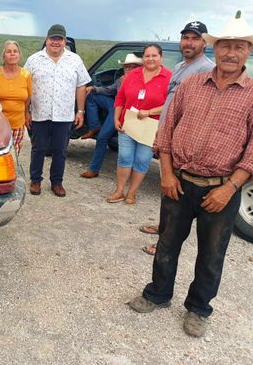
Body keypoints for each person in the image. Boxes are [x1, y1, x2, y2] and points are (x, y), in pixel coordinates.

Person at [127, 11, 253, 338]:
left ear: (248, 51)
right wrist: (166, 173)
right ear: (215, 49)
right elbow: (166, 131)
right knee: (166, 243)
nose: (231, 53)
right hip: (178, 181)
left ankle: (199, 308)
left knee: (211, 255)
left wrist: (230, 188)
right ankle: (158, 294)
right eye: (225, 46)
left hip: (221, 189)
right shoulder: (191, 85)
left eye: (239, 47)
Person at [139, 21, 215, 255]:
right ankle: (163, 227)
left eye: (194, 38)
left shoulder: (206, 69)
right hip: (166, 137)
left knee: (176, 193)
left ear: (204, 42)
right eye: (185, 38)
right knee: (167, 186)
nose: (189, 42)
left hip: (181, 142)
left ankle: (164, 243)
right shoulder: (181, 66)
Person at [24, 24, 90, 197]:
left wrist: (80, 111)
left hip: (64, 114)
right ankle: (35, 180)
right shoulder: (33, 60)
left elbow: (81, 86)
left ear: (65, 41)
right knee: (38, 149)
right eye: (52, 39)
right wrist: (26, 111)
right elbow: (25, 86)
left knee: (60, 150)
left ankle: (57, 182)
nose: (55, 42)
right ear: (46, 40)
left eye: (59, 39)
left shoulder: (75, 60)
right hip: (40, 112)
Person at [107, 44, 172, 204]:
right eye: (147, 56)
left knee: (142, 160)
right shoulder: (132, 75)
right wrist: (116, 118)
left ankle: (132, 192)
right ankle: (119, 190)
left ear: (161, 57)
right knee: (124, 157)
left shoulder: (169, 77)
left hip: (151, 127)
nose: (150, 59)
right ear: (143, 58)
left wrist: (149, 112)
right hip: (128, 123)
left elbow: (171, 104)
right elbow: (120, 98)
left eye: (154, 55)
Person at [80, 53, 143, 178]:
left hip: (124, 112)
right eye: (126, 67)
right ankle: (94, 126)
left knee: (102, 138)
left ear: (140, 68)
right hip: (115, 104)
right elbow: (110, 90)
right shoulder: (121, 79)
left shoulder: (143, 82)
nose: (129, 69)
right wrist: (94, 88)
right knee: (92, 95)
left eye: (133, 67)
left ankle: (94, 169)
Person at [0, 40, 32, 155]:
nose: (12, 54)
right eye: (8, 51)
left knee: (13, 157)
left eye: (15, 51)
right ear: (3, 56)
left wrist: (26, 113)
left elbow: (28, 98)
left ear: (19, 55)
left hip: (18, 125)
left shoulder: (26, 75)